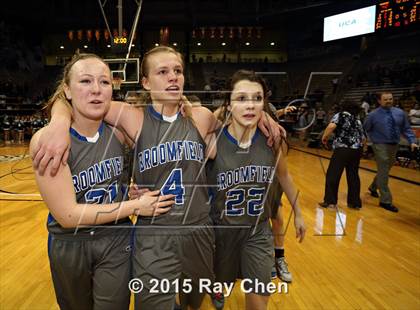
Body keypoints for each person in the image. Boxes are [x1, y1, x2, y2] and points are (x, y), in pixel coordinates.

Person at [33, 47, 284, 310]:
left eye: (177, 71)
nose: (172, 77)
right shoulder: (132, 117)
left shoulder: (201, 117)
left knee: (192, 302)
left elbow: (237, 125)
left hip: (198, 230)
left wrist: (262, 114)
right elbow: (76, 99)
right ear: (146, 82)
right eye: (162, 72)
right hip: (154, 232)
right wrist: (59, 121)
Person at [30, 53, 174, 310]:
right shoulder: (50, 141)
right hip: (70, 242)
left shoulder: (120, 132)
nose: (96, 90)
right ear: (67, 90)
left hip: (115, 237)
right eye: (85, 81)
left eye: (105, 82)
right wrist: (135, 206)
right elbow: (68, 216)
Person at [208, 70, 305, 310]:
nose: (250, 105)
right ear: (229, 104)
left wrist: (299, 213)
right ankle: (218, 287)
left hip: (258, 233)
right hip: (220, 233)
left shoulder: (272, 139)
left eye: (257, 98)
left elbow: (284, 175)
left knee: (259, 300)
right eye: (241, 98)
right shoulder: (211, 139)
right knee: (220, 283)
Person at [364, 92, 418, 212]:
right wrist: (367, 141)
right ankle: (385, 200)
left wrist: (412, 141)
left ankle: (373, 187)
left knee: (385, 169)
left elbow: (406, 129)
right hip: (379, 144)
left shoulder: (400, 113)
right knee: (383, 168)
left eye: (390, 99)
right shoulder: (372, 115)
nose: (389, 101)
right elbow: (366, 128)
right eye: (385, 99)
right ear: (379, 101)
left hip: (394, 145)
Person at [319, 101, 365, 209]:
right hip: (356, 150)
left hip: (342, 149)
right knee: (353, 176)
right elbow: (363, 138)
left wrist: (324, 137)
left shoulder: (340, 115)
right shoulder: (357, 119)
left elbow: (331, 127)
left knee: (333, 174)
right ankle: (354, 203)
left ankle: (330, 201)